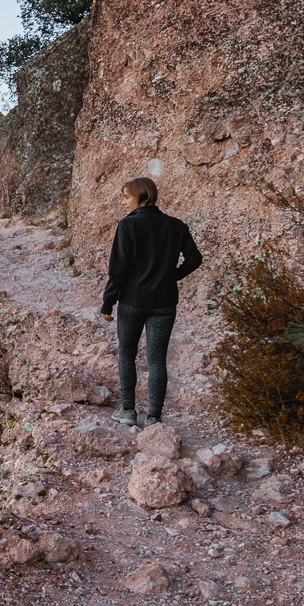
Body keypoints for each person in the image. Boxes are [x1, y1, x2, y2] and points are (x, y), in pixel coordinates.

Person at [98, 176, 203, 428]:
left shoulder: (127, 226)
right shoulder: (176, 226)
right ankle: (154, 417)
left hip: (132, 300)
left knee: (127, 354)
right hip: (164, 302)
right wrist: (171, 276)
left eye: (126, 196)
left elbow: (118, 269)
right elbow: (195, 259)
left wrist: (107, 302)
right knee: (157, 359)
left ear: (142, 196)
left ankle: (128, 411)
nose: (123, 201)